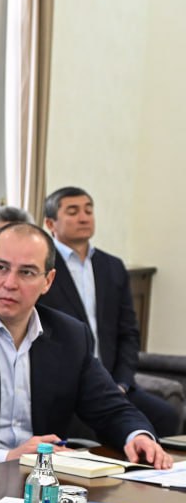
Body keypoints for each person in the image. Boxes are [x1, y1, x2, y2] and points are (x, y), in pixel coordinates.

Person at [0, 223, 171, 470]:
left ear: (48, 281)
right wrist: (6, 457)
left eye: (26, 272)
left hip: (46, 482)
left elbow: (111, 408)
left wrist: (137, 436)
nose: (10, 283)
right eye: (1, 268)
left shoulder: (70, 336)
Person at [38, 186, 180, 437]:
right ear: (50, 223)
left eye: (88, 210)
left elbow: (128, 334)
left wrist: (122, 382)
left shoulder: (111, 266)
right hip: (67, 387)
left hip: (113, 384)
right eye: (73, 211)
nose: (84, 217)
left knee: (166, 417)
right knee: (89, 429)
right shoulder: (41, 268)